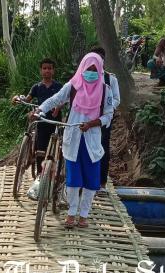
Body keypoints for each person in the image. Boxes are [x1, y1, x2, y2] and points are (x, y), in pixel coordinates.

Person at [33, 53, 115, 228]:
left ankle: (84, 215)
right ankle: (71, 214)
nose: (91, 72)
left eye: (94, 70)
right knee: (73, 180)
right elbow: (56, 99)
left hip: (92, 141)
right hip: (73, 139)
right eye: (88, 69)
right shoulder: (73, 86)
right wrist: (40, 110)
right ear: (82, 68)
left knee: (91, 181)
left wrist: (93, 123)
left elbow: (109, 114)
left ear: (100, 70)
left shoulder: (105, 90)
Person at [12, 58, 62, 198]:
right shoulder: (37, 87)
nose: (47, 71)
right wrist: (18, 99)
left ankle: (52, 175)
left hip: (54, 122)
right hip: (41, 122)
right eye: (44, 68)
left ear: (53, 70)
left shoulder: (58, 86)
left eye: (50, 68)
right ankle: (40, 175)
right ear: (41, 70)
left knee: (53, 150)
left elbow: (62, 100)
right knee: (40, 149)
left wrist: (58, 108)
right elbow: (28, 99)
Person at [89, 46, 120, 190]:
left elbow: (116, 99)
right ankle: (85, 181)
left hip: (103, 120)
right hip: (86, 119)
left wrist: (106, 109)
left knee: (103, 149)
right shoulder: (84, 77)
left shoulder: (110, 79)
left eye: (100, 59)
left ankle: (102, 183)